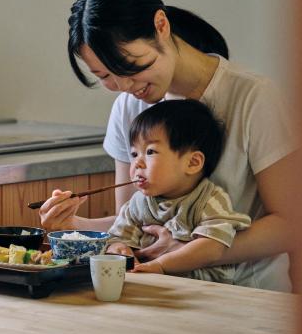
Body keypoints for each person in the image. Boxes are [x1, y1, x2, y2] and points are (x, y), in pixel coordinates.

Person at [39, 0, 294, 291]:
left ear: (161, 25)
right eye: (105, 76)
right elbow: (139, 222)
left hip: (250, 298)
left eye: (131, 67)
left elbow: (294, 223)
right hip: (163, 294)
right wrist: (76, 227)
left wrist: (192, 250)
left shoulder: (253, 98)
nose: (125, 87)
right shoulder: (128, 108)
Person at [105, 99, 251, 283]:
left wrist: (161, 266)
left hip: (204, 293)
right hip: (152, 287)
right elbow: (117, 238)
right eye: (134, 154)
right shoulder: (137, 203)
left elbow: (213, 247)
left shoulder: (209, 199)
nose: (137, 163)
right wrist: (121, 251)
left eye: (150, 152)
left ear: (193, 163)